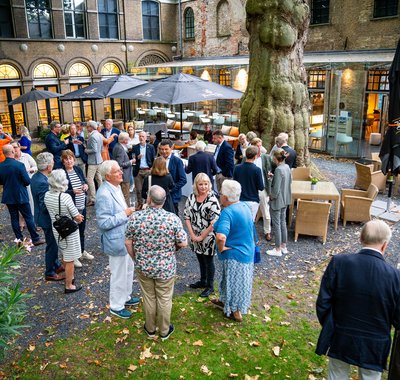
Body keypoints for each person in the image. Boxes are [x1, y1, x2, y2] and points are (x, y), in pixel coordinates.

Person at [316, 220, 400, 380]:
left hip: (341, 335)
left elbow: (323, 302)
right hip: (374, 344)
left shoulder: (339, 262)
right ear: (385, 245)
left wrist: (330, 325)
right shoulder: (395, 277)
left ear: (361, 239)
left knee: (337, 375)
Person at [125, 185, 187, 340]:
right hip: (166, 268)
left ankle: (150, 329)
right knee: (165, 298)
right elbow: (183, 243)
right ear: (164, 201)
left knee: (149, 297)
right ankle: (164, 331)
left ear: (149, 199)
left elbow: (128, 242)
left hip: (144, 267)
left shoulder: (136, 218)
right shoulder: (173, 219)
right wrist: (171, 251)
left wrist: (135, 258)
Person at [96, 160, 139, 319]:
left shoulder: (116, 187)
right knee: (118, 274)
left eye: (120, 170)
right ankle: (116, 305)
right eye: (117, 171)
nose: (121, 172)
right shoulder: (104, 194)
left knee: (128, 270)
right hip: (115, 240)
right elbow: (103, 223)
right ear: (108, 176)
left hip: (125, 238)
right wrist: (125, 214)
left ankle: (126, 297)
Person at [211, 180, 254, 322]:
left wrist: (221, 248)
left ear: (226, 198)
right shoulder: (245, 206)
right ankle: (225, 302)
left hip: (234, 255)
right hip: (247, 252)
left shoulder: (227, 212)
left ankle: (235, 312)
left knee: (233, 284)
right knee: (230, 281)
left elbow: (221, 236)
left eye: (221, 193)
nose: (220, 195)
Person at [44, 169, 84, 293]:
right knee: (70, 258)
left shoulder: (47, 195)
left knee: (64, 253)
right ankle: (69, 285)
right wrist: (79, 217)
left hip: (57, 229)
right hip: (69, 231)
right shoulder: (65, 197)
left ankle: (69, 277)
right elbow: (76, 216)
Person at [183, 173, 220, 298]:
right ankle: (203, 280)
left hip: (208, 236)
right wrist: (192, 234)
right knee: (199, 258)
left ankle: (210, 286)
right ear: (196, 185)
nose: (203, 187)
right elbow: (186, 216)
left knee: (208, 261)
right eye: (201, 184)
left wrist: (201, 236)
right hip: (194, 234)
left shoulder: (212, 199)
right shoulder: (191, 197)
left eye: (206, 184)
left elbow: (214, 222)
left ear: (209, 185)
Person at [0, 145, 44, 246]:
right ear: (12, 151)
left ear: (3, 153)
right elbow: (27, 181)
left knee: (14, 217)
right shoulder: (19, 165)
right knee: (28, 216)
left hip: (8, 195)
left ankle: (19, 240)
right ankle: (35, 238)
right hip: (21, 194)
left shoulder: (0, 166)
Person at [31, 153, 64, 281]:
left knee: (54, 242)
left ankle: (55, 264)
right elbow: (44, 203)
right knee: (52, 244)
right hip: (46, 218)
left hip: (44, 216)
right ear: (49, 167)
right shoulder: (42, 182)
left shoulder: (37, 177)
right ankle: (50, 271)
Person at [61, 150, 93, 267]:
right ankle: (73, 257)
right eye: (66, 159)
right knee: (72, 232)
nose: (69, 161)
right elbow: (61, 191)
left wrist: (85, 185)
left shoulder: (78, 169)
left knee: (81, 230)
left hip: (81, 205)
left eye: (71, 158)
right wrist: (72, 191)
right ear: (63, 161)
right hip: (71, 208)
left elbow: (83, 180)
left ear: (74, 159)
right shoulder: (62, 173)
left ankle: (81, 251)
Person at [266, 149, 292, 257]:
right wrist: (273, 178)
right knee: (283, 223)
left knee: (277, 224)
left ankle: (277, 249)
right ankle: (283, 246)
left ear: (276, 159)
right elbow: (288, 182)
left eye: (273, 158)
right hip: (286, 198)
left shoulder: (278, 170)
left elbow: (276, 190)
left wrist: (271, 197)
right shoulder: (287, 167)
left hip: (278, 200)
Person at [233, 146, 264, 219]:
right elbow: (261, 187)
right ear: (255, 156)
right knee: (250, 223)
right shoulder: (257, 170)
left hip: (239, 199)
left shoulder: (237, 168)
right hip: (252, 200)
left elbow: (235, 183)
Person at [12, 141, 37, 230]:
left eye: (15, 147)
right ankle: (21, 222)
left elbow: (35, 166)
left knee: (31, 202)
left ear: (19, 147)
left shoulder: (26, 156)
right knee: (20, 203)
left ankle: (33, 222)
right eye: (12, 148)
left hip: (28, 182)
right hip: (17, 184)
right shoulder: (11, 159)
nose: (14, 149)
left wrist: (31, 169)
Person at [158, 139, 187, 215]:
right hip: (159, 197)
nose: (163, 151)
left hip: (172, 197)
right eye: (161, 149)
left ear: (171, 148)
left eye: (166, 149)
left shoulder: (177, 161)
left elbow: (183, 180)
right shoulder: (158, 160)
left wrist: (171, 190)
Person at [132, 131, 156, 210]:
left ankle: (147, 203)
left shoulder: (150, 147)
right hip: (138, 170)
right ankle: (140, 204)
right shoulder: (135, 147)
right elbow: (132, 159)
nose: (141, 138)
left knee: (148, 189)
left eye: (143, 136)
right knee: (138, 189)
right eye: (140, 136)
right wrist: (137, 158)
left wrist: (152, 168)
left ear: (146, 138)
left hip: (148, 170)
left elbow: (153, 159)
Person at [112, 132, 135, 206]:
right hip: (124, 176)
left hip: (122, 175)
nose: (128, 140)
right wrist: (131, 162)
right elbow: (120, 164)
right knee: (126, 196)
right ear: (124, 140)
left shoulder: (118, 146)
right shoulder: (120, 148)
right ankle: (127, 212)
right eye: (127, 139)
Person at [85, 120, 103, 206]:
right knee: (99, 179)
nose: (87, 128)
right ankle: (102, 195)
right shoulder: (99, 134)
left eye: (88, 126)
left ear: (91, 127)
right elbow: (100, 148)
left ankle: (93, 198)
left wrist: (86, 150)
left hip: (93, 161)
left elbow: (94, 150)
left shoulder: (92, 136)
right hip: (99, 159)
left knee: (89, 179)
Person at [212, 130, 234, 194]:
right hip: (218, 173)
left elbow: (230, 163)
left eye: (214, 138)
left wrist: (223, 174)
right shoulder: (218, 145)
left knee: (225, 195)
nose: (213, 140)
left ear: (220, 138)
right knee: (220, 194)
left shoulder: (227, 147)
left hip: (224, 176)